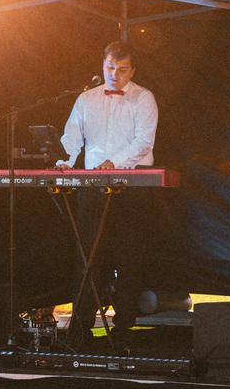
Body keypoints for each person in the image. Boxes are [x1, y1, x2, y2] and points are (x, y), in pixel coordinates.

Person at [56, 40, 158, 349]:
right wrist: (66, 160)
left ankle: (124, 327)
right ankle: (81, 327)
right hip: (93, 185)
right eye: (110, 68)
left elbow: (144, 141)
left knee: (128, 256)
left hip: (131, 185)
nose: (115, 74)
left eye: (122, 69)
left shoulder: (144, 98)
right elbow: (72, 135)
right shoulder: (86, 99)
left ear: (133, 71)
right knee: (88, 256)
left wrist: (116, 162)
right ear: (103, 66)